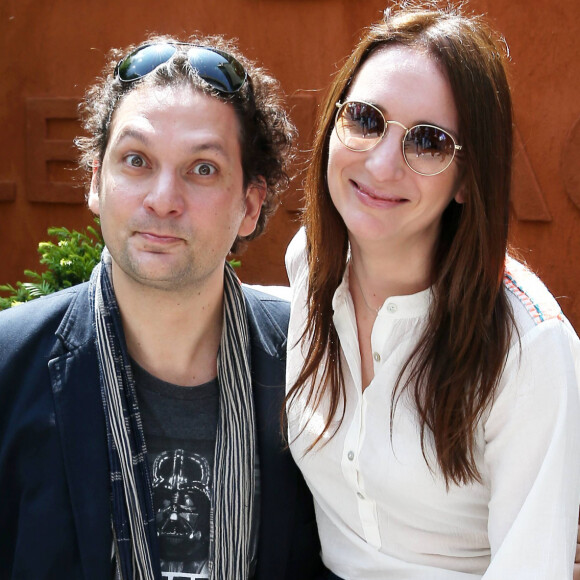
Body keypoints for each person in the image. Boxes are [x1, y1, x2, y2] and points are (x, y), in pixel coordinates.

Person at [0, 34, 324, 579]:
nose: (163, 198)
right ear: (96, 181)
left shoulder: (312, 365)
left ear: (250, 205)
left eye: (203, 169)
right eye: (136, 160)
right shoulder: (9, 367)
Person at [284, 3, 580, 579]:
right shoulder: (312, 266)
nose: (382, 162)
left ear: (469, 177)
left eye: (428, 142)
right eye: (366, 120)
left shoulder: (530, 349)